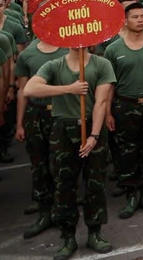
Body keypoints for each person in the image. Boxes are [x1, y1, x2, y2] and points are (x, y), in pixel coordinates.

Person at [24, 47, 116, 259]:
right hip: (63, 129)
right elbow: (30, 89)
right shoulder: (55, 65)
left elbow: (101, 102)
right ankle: (68, 237)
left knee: (95, 183)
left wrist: (93, 136)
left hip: (93, 125)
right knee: (64, 184)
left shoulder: (102, 64)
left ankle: (95, 232)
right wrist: (68, 89)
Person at [102, 2, 143, 217]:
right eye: (135, 17)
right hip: (124, 104)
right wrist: (108, 112)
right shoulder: (113, 49)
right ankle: (131, 194)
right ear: (125, 20)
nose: (140, 20)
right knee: (126, 152)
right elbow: (109, 83)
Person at [14, 37, 68, 240]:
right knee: (39, 165)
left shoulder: (67, 50)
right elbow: (22, 90)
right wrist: (20, 123)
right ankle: (45, 212)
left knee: (63, 163)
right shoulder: (27, 54)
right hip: (36, 114)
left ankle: (63, 211)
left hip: (62, 111)